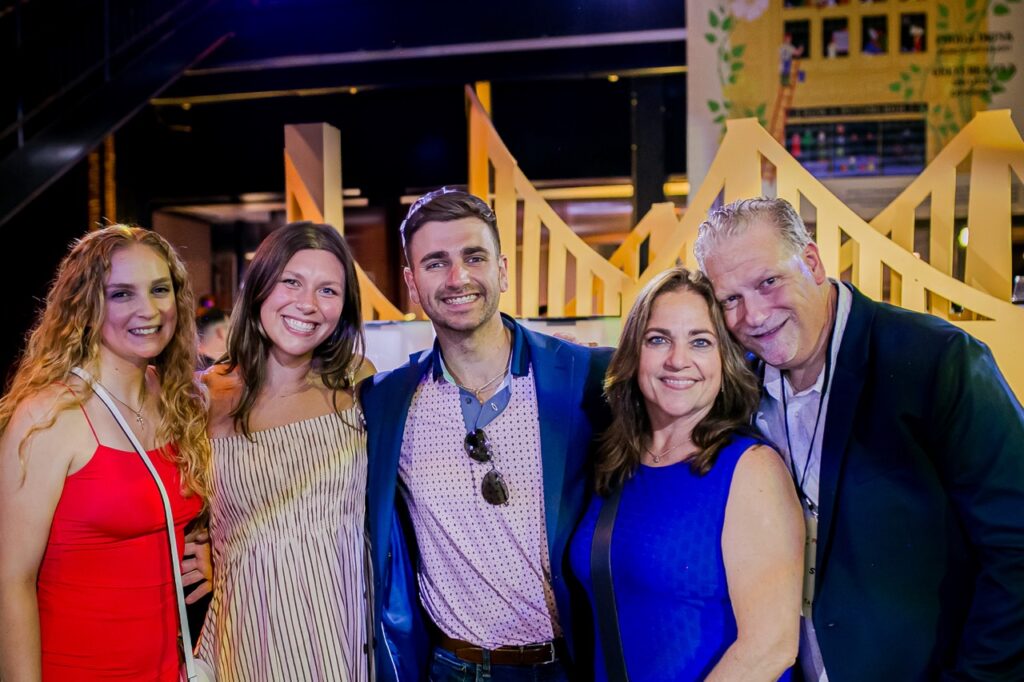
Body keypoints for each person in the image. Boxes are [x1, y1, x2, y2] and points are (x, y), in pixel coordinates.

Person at [694, 197, 1024, 681]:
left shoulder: (936, 360)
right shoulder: (737, 387)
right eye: (731, 300)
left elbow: (1016, 548)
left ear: (811, 263)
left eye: (768, 282)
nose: (754, 314)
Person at [360, 188, 613, 681]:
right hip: (454, 667)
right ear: (412, 283)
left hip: (573, 665)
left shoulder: (587, 377)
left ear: (502, 268)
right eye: (436, 263)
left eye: (473, 257)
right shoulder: (385, 402)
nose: (458, 278)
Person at [568, 266, 803, 681]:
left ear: (724, 359)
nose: (679, 360)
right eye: (658, 339)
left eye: (700, 342)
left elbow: (770, 647)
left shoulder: (751, 470)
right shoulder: (616, 459)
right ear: (634, 354)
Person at [0, 225, 211, 680]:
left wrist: (208, 543)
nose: (149, 310)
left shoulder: (174, 399)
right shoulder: (49, 415)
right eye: (121, 294)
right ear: (86, 306)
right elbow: (9, 582)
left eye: (160, 289)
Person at [197, 221, 375, 681]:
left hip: (343, 626)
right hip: (248, 631)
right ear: (259, 287)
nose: (308, 304)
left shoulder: (358, 384)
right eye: (291, 281)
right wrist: (198, 542)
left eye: (328, 290)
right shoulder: (207, 396)